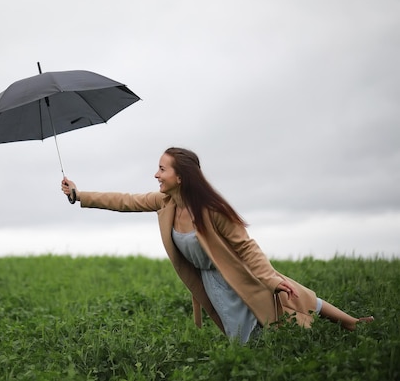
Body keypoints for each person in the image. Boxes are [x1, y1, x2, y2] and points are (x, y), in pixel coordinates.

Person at [60, 147, 374, 343]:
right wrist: (78, 194)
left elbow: (248, 248)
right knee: (259, 333)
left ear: (180, 176)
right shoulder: (165, 202)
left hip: (237, 276)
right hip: (212, 283)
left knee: (293, 300)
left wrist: (269, 279)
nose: (155, 174)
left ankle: (350, 323)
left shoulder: (212, 210)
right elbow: (124, 201)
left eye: (162, 168)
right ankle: (345, 325)